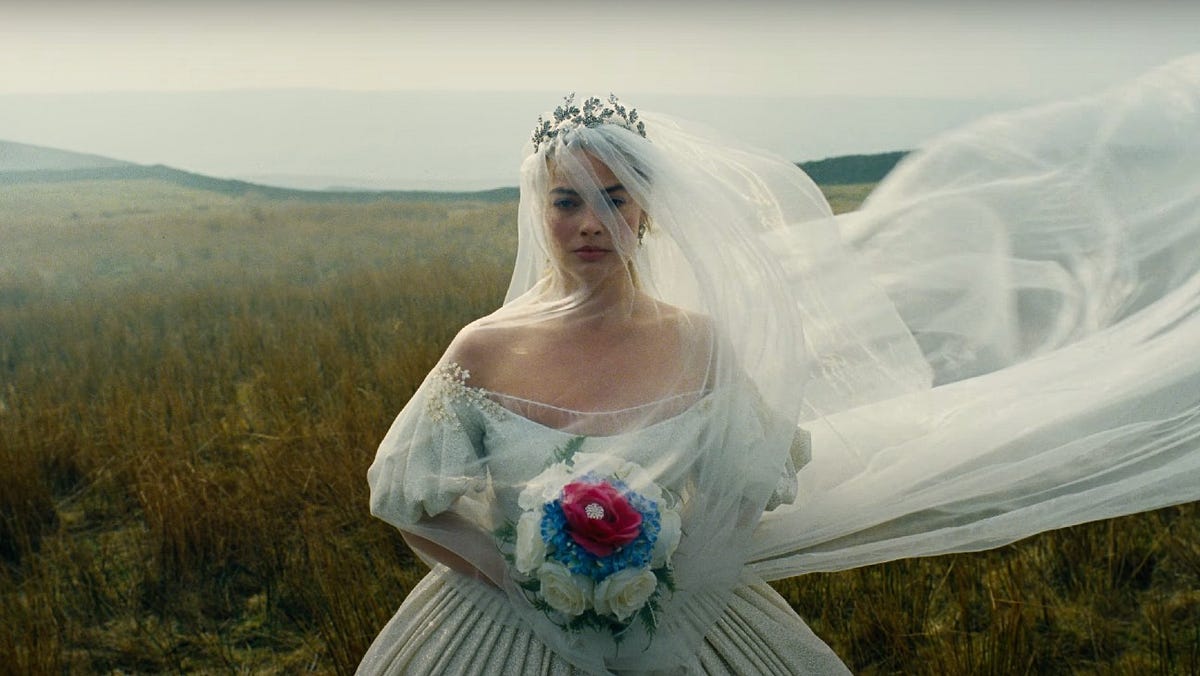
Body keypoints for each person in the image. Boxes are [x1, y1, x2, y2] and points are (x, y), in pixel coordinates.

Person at [361, 55, 1200, 675]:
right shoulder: (483, 348)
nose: (592, 223)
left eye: (615, 197)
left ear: (648, 210)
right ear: (538, 211)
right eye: (568, 200)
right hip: (507, 634)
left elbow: (743, 488)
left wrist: (668, 592)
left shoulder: (699, 344)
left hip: (681, 623)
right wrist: (525, 585)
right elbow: (410, 502)